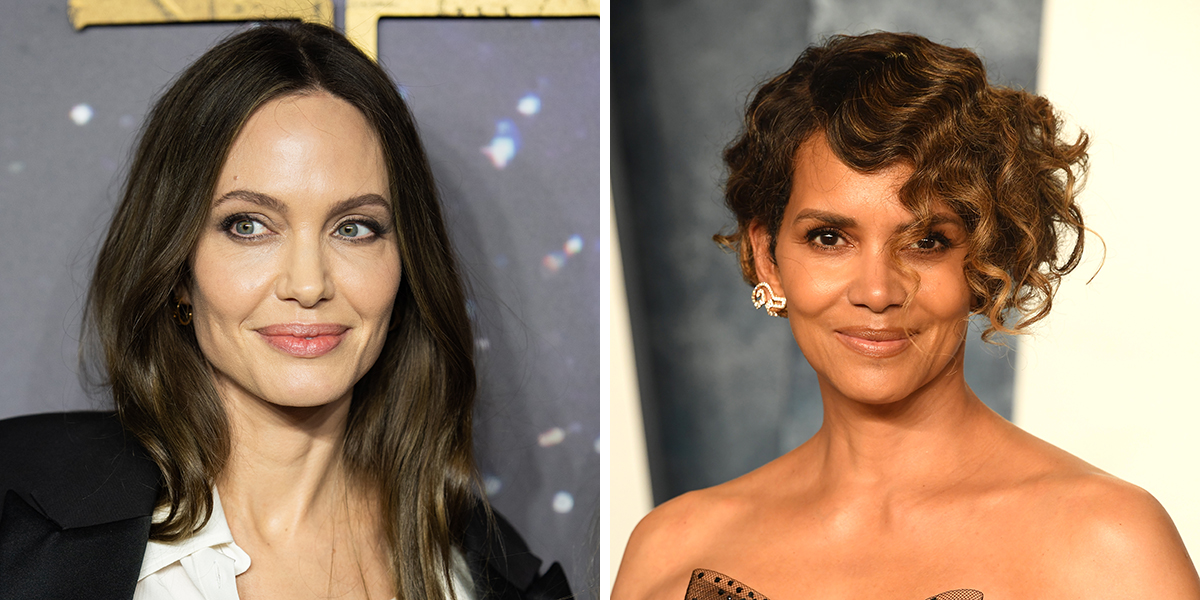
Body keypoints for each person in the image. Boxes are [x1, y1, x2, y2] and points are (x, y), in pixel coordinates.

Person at [612, 32, 1200, 600]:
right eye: (828, 238)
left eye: (926, 241)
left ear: (985, 258)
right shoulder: (670, 548)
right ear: (767, 256)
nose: (876, 291)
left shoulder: (1109, 543)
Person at [0, 23, 568, 600]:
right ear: (178, 274)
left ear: (405, 269)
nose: (308, 284)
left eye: (354, 228)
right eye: (248, 226)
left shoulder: (487, 573)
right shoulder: (18, 517)